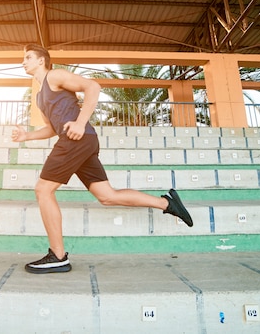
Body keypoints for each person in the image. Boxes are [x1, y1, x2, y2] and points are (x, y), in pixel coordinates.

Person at [11, 44, 193, 274]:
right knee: (107, 196)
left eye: (28, 57)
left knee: (43, 190)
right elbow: (50, 128)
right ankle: (167, 203)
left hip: (76, 139)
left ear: (41, 61)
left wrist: (79, 122)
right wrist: (27, 135)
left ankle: (58, 256)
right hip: (81, 140)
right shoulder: (39, 97)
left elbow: (92, 86)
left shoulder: (54, 76)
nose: (23, 61)